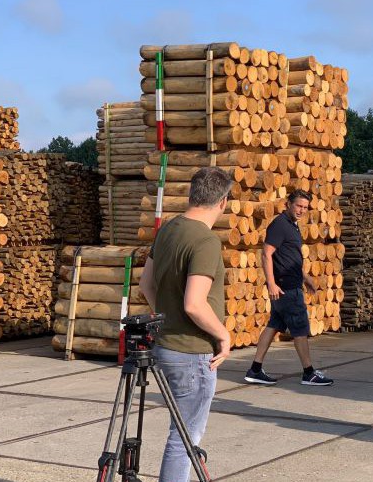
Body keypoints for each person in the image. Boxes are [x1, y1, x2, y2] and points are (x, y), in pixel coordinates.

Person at [139, 166, 233, 482]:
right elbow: (194, 303)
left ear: (192, 194)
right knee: (184, 437)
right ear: (223, 202)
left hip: (166, 346)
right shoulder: (206, 241)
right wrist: (223, 334)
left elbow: (145, 284)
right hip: (193, 353)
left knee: (179, 431)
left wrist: (165, 315)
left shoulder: (168, 229)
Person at [244, 189, 334, 386]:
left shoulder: (292, 226)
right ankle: (309, 373)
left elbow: (289, 258)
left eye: (305, 207)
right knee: (300, 329)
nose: (302, 210)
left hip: (290, 285)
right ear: (288, 204)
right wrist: (271, 283)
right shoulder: (279, 225)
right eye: (298, 206)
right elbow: (267, 254)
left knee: (274, 325)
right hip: (286, 289)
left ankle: (255, 369)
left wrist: (305, 277)